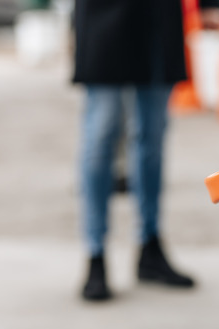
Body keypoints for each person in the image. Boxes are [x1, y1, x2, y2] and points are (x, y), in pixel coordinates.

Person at [72, 0, 195, 301]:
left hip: (156, 16)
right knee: (101, 136)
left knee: (152, 139)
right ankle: (95, 253)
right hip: (103, 16)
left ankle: (149, 246)